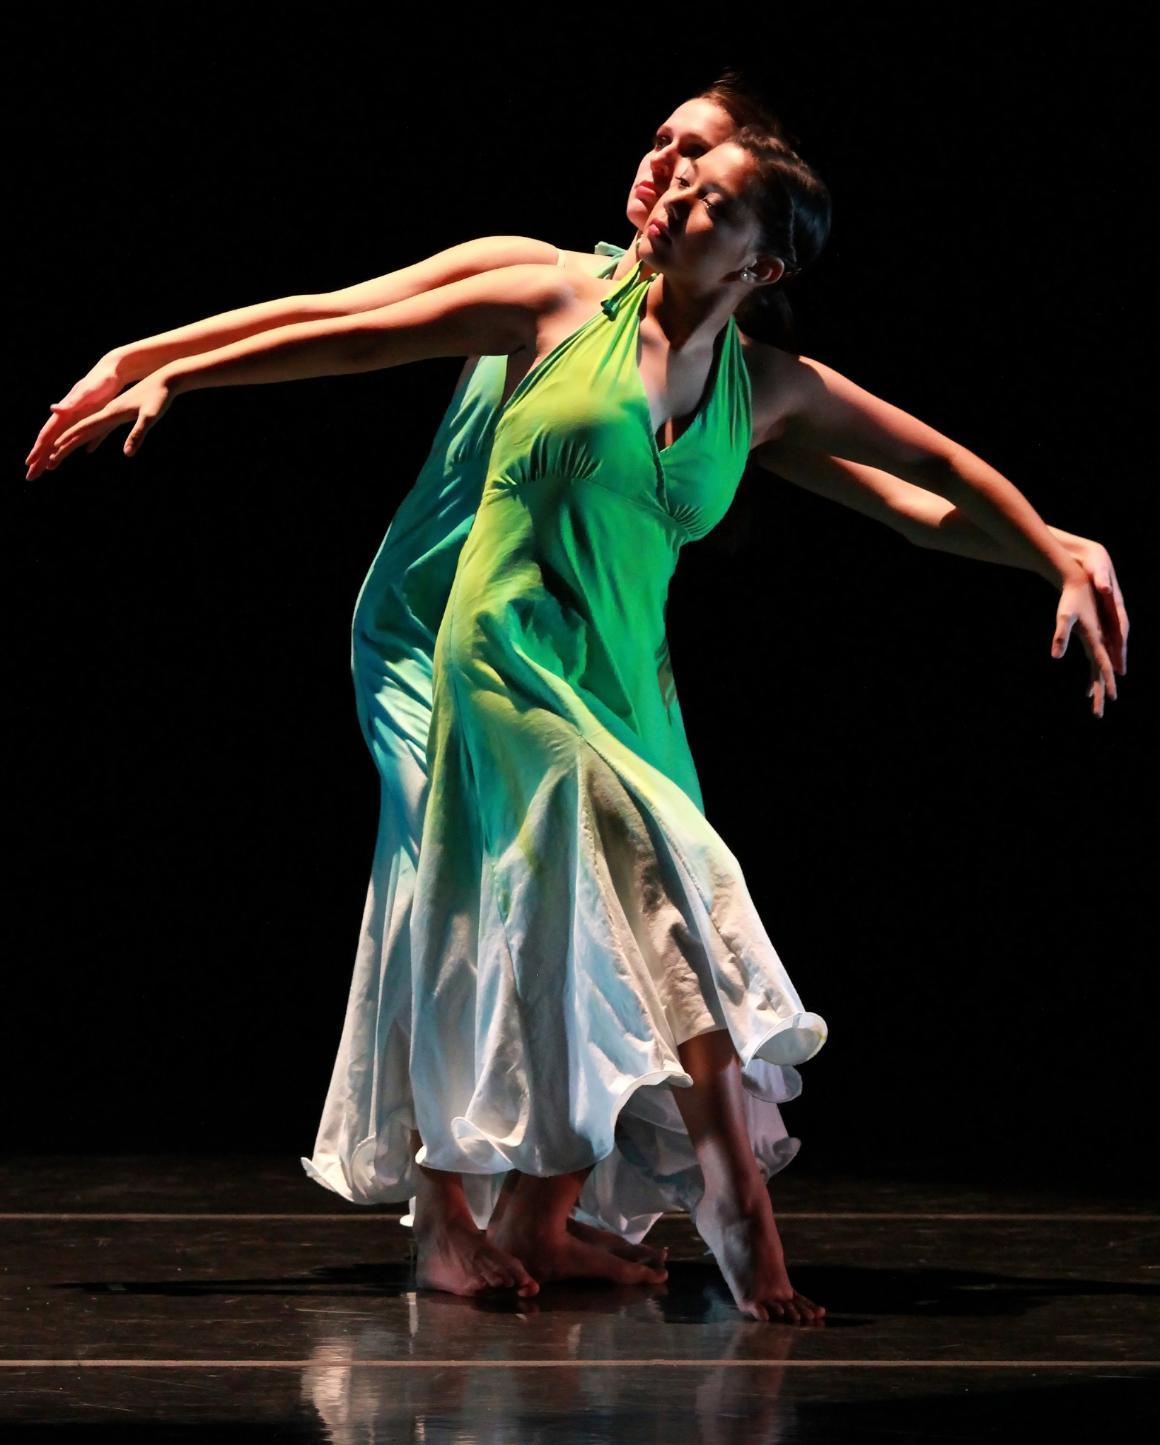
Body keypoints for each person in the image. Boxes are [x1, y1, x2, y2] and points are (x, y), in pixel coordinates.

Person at [32, 125, 1124, 1324]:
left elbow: (933, 481)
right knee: (661, 884)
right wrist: (172, 368)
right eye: (678, 171)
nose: (672, 192)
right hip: (499, 660)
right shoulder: (555, 295)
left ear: (763, 268)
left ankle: (538, 1218)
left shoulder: (760, 391)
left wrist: (1049, 552)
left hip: (623, 690)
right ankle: (733, 1211)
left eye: (709, 195)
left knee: (594, 936)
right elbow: (348, 328)